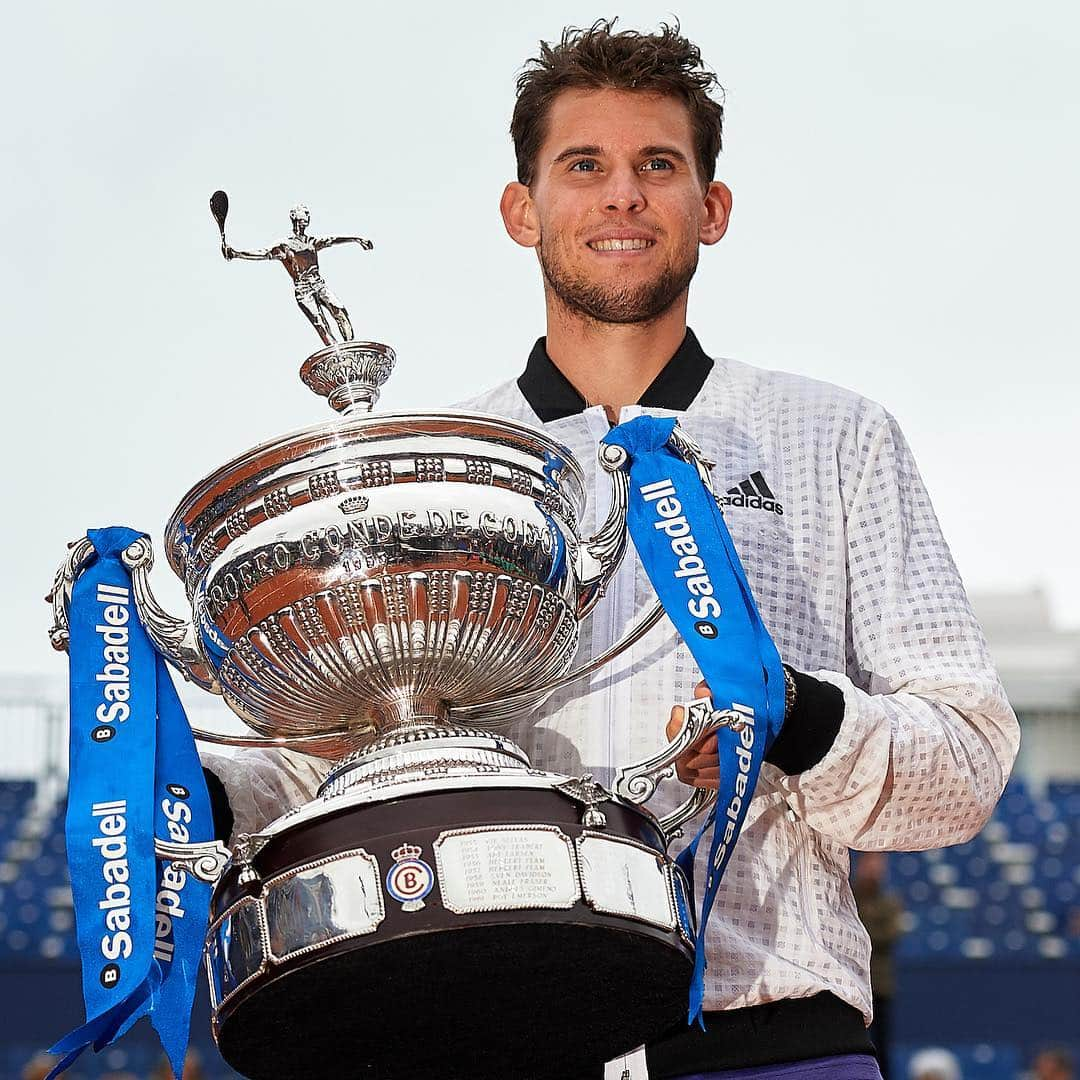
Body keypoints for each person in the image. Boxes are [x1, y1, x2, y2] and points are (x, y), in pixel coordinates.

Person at [203, 19, 1020, 1080]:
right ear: (522, 208)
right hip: (498, 1032)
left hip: (768, 1043)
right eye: (583, 165)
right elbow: (341, 759)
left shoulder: (835, 438)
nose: (622, 195)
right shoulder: (437, 464)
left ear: (710, 208)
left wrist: (799, 718)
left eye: (657, 166)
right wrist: (194, 788)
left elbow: (964, 767)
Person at [223, 203, 373, 345]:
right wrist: (236, 253)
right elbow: (262, 253)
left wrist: (357, 239)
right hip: (303, 290)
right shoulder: (284, 245)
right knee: (320, 323)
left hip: (319, 284)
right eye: (304, 212)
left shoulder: (311, 241)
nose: (307, 216)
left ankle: (351, 347)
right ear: (294, 215)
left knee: (339, 310)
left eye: (308, 213)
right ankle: (337, 353)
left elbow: (332, 240)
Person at [852, 853, 905, 1078]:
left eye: (878, 865)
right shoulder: (850, 896)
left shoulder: (891, 902)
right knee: (854, 1045)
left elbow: (890, 934)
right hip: (853, 985)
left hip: (880, 985)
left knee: (882, 1046)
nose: (874, 869)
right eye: (870, 864)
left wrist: (863, 925)